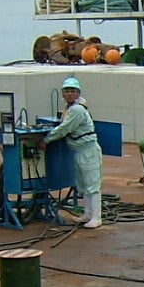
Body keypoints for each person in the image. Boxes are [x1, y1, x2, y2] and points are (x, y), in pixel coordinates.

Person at [46, 76, 104, 229]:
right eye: (66, 91)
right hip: (78, 150)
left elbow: (65, 129)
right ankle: (87, 213)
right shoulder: (70, 108)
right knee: (82, 184)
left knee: (92, 184)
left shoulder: (77, 110)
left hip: (88, 150)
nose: (69, 94)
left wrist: (46, 139)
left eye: (72, 91)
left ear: (78, 93)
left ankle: (96, 217)